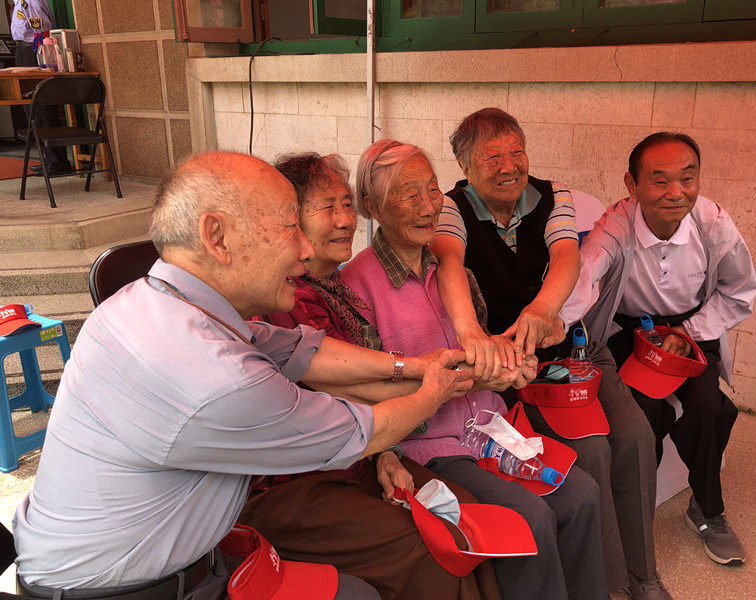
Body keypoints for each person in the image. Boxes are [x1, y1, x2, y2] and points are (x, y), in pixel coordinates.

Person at [12, 151, 475, 600]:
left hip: (159, 564)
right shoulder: (214, 375)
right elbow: (360, 430)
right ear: (217, 237)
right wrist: (434, 390)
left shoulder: (155, 301)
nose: (306, 248)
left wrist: (414, 366)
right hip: (127, 590)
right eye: (291, 226)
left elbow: (300, 349)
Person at [341, 139, 607, 600]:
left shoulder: (454, 270)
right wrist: (390, 452)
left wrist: (513, 364)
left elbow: (482, 347)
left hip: (490, 427)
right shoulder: (355, 286)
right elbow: (369, 391)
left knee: (582, 494)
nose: (429, 207)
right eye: (410, 195)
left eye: (433, 190)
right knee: (530, 519)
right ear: (372, 206)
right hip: (429, 445)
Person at [431, 108, 668, 600]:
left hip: (574, 348)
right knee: (592, 449)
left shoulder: (552, 194)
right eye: (492, 157)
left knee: (636, 436)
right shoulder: (451, 209)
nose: (509, 165)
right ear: (465, 167)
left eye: (516, 151)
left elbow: (566, 254)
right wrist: (474, 336)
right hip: (516, 365)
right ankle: (606, 583)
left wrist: (542, 310)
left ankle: (644, 575)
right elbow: (449, 260)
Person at [241, 151, 501, 600]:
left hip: (358, 456)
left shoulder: (337, 289)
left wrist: (386, 455)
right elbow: (348, 388)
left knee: (466, 516)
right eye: (328, 208)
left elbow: (358, 390)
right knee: (429, 545)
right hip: (299, 478)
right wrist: (443, 380)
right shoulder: (285, 296)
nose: (345, 220)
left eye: (346, 205)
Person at [578, 132, 756, 566]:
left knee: (710, 409)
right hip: (629, 331)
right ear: (632, 184)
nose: (676, 193)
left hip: (692, 329)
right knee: (642, 413)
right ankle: (633, 514)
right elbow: (582, 278)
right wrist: (545, 321)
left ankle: (707, 510)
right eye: (659, 180)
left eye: (687, 179)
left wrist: (689, 329)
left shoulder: (712, 223)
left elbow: (739, 292)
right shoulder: (615, 226)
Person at [10, 0, 73, 175]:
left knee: (40, 106)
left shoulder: (29, 1)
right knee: (32, 107)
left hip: (33, 50)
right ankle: (50, 159)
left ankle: (57, 161)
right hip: (24, 50)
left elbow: (41, 28)